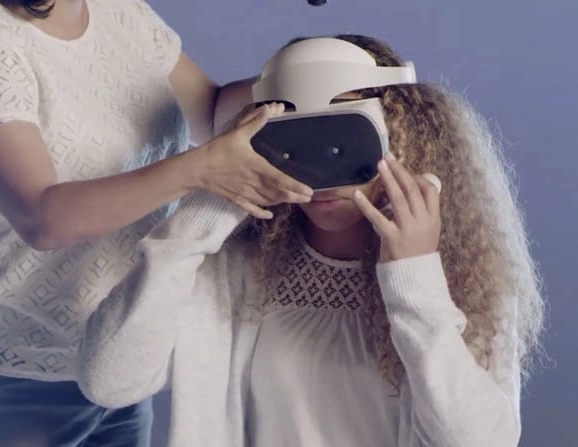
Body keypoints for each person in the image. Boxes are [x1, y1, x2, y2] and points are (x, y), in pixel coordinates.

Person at [77, 34, 546, 446]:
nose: (321, 180)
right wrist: (212, 202)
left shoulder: (463, 282)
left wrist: (415, 279)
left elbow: (480, 441)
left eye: (343, 145)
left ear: (399, 140)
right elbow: (109, 382)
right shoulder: (236, 270)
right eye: (294, 147)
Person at [0, 0, 314, 445]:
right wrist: (200, 169)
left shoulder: (120, 9)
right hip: (12, 380)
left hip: (115, 356)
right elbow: (43, 218)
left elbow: (210, 114)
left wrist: (315, 76)